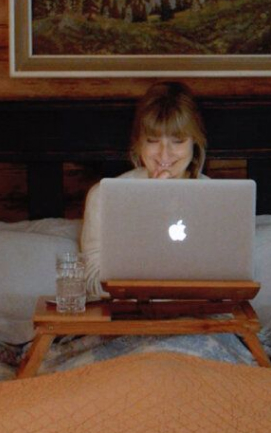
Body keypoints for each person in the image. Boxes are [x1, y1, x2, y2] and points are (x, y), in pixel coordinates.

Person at [80, 81, 208, 292]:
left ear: (194, 142)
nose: (164, 154)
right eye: (152, 140)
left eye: (178, 141)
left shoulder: (218, 198)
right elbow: (93, 279)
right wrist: (152, 209)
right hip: (132, 314)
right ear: (138, 143)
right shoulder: (104, 196)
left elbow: (229, 275)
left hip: (200, 317)